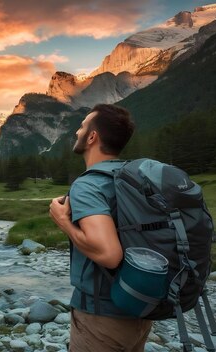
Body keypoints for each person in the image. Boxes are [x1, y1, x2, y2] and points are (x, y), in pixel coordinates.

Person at [49, 104, 152, 352]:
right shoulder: (133, 177)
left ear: (93, 137)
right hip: (140, 311)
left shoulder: (89, 184)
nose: (77, 132)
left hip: (102, 318)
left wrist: (63, 222)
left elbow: (109, 254)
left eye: (83, 126)